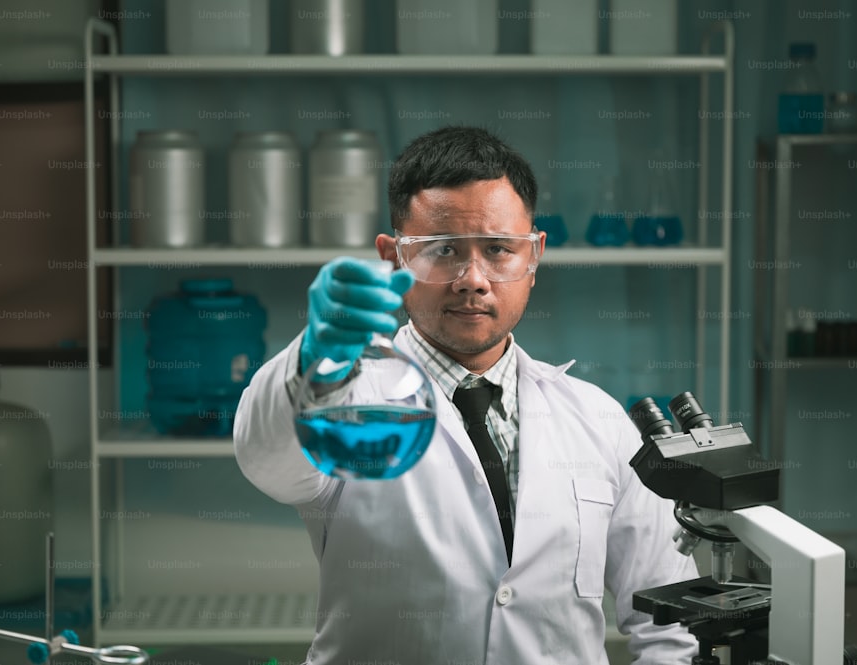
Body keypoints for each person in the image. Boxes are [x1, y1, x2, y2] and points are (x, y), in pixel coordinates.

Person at [234, 126, 699, 664]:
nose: (472, 279)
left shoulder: (598, 419)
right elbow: (263, 457)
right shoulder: (346, 399)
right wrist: (314, 351)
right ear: (393, 259)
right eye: (443, 251)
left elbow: (668, 622)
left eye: (499, 250)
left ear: (533, 256)